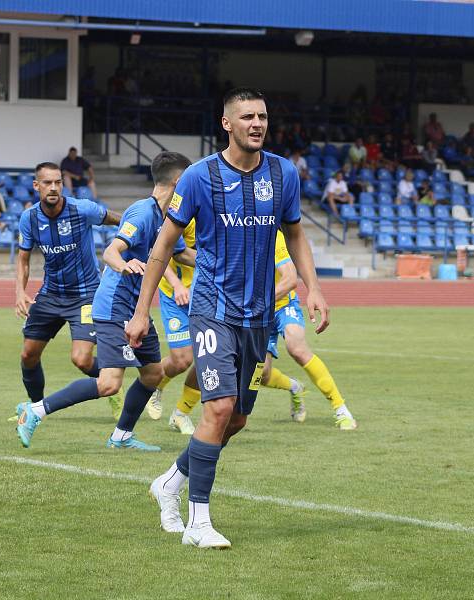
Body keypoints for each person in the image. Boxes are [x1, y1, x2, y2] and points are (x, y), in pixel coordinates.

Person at [126, 88, 329, 549]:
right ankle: (198, 523)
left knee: (234, 420)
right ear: (227, 124)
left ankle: (170, 483)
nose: (257, 123)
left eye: (262, 116)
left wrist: (312, 286)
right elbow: (162, 246)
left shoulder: (283, 173)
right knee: (216, 408)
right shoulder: (198, 178)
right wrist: (141, 313)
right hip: (212, 311)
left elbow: (296, 234)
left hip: (259, 317)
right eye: (247, 117)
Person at [14, 152, 195, 450]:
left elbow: (182, 254)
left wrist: (216, 263)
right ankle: (34, 410)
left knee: (153, 373)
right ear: (178, 182)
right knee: (110, 383)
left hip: (137, 307)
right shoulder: (142, 213)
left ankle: (121, 435)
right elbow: (112, 251)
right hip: (115, 305)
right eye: (190, 182)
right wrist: (123, 265)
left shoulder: (167, 218)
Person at [13, 162, 122, 436]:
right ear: (37, 186)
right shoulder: (29, 218)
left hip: (85, 295)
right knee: (28, 355)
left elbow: (116, 219)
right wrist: (19, 291)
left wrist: (139, 228)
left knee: (82, 360)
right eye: (47, 183)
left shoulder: (81, 209)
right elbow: (23, 259)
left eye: (58, 182)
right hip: (50, 295)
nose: (53, 188)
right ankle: (34, 407)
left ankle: (109, 384)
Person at [260, 230, 356, 429]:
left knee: (297, 348)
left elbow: (290, 279)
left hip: (282, 304)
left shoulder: (272, 235)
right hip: (257, 315)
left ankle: (341, 410)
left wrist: (259, 303)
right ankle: (294, 387)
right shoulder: (233, 235)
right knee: (263, 375)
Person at [145, 217, 201, 435]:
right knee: (182, 360)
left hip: (207, 291)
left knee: (208, 356)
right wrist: (177, 284)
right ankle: (155, 385)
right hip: (175, 292)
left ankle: (181, 413)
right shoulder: (184, 212)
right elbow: (161, 250)